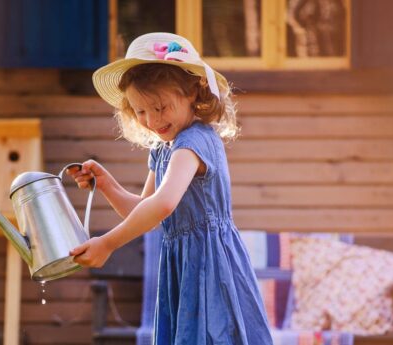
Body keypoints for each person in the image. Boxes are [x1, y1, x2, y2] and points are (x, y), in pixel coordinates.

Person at [67, 32, 273, 344]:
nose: (151, 120)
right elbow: (146, 211)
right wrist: (107, 185)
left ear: (192, 92)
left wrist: (107, 243)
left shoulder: (195, 142)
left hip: (210, 267)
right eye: (140, 111)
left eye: (160, 108)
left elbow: (164, 205)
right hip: (183, 267)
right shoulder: (164, 149)